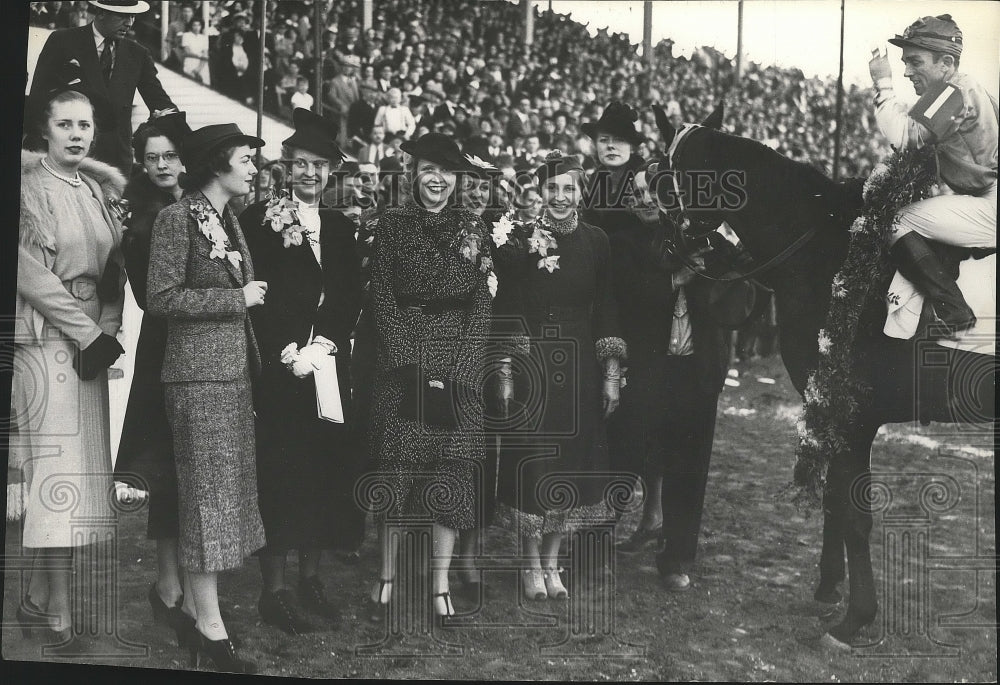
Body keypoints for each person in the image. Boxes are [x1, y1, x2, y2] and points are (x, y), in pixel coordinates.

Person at [239, 109, 365, 635]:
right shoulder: (259, 221)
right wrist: (284, 349)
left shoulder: (340, 226)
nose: (310, 174)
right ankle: (275, 589)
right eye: (301, 165)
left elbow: (349, 292)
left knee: (325, 466)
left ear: (332, 172)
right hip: (280, 366)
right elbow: (254, 293)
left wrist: (328, 342)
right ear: (285, 167)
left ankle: (312, 577)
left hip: (329, 364)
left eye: (320, 166)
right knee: (280, 469)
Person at [146, 123, 266, 674]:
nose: (253, 169)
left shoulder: (227, 218)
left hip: (228, 376)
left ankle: (200, 614)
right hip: (197, 379)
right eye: (246, 159)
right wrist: (233, 298)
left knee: (218, 501)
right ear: (219, 163)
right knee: (206, 505)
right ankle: (210, 628)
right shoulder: (178, 218)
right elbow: (161, 298)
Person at [13, 80, 127, 640]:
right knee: (57, 477)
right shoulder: (29, 190)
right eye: (66, 124)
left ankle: (35, 599)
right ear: (45, 130)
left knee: (78, 480)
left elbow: (113, 272)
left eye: (85, 125)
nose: (77, 134)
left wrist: (106, 331)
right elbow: (30, 277)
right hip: (48, 341)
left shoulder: (96, 190)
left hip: (87, 349)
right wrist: (88, 334)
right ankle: (57, 608)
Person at [366, 133, 492, 623]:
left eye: (446, 171)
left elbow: (482, 303)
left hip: (459, 360)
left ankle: (440, 584)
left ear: (458, 178)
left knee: (452, 477)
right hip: (406, 365)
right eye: (427, 170)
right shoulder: (393, 225)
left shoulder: (472, 228)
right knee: (396, 473)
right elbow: (380, 297)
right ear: (413, 173)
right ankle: (387, 578)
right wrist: (412, 365)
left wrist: (461, 371)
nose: (437, 180)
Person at [491, 151, 625, 600]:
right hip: (536, 358)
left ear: (581, 192)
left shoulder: (597, 241)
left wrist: (609, 371)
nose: (561, 197)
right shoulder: (522, 240)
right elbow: (507, 305)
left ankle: (553, 563)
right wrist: (508, 368)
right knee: (536, 459)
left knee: (569, 459)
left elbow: (607, 306)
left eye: (569, 188)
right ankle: (529, 566)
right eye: (552, 189)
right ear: (540, 193)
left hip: (581, 360)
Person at [606, 163, 732, 591]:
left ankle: (677, 558)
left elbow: (739, 298)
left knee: (689, 468)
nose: (644, 199)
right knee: (624, 456)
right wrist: (678, 276)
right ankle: (593, 543)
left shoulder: (709, 240)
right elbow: (632, 295)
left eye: (652, 191)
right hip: (648, 368)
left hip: (697, 371)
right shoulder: (624, 243)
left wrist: (716, 265)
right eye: (636, 193)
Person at [114, 110, 194, 644]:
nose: (161, 165)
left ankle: (178, 586)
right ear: (141, 164)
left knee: (188, 471)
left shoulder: (194, 203)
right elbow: (151, 297)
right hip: (167, 344)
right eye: (151, 158)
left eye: (169, 155)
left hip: (197, 345)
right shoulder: (141, 216)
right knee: (168, 469)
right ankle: (169, 587)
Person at [868, 14, 997, 342]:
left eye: (915, 62)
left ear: (946, 63)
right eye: (904, 63)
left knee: (897, 222)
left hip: (991, 203)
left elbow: (902, 134)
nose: (907, 71)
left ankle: (953, 310)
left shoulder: (952, 90)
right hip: (984, 196)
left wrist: (882, 84)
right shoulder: (970, 87)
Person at [28, 0, 176, 175]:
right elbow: (38, 97)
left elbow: (160, 102)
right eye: (122, 16)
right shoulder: (62, 41)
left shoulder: (138, 54)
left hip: (116, 161)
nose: (129, 23)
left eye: (133, 16)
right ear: (101, 13)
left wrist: (185, 138)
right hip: (68, 154)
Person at [324, 55, 361, 147]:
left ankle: (353, 145)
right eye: (345, 66)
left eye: (350, 67)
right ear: (341, 67)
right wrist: (341, 105)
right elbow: (331, 96)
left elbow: (356, 98)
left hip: (353, 111)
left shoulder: (353, 81)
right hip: (341, 111)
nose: (348, 69)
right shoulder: (335, 81)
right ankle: (343, 145)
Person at [180, 17, 210, 86]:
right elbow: (187, 52)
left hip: (202, 65)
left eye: (199, 25)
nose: (197, 27)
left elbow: (205, 55)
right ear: (191, 26)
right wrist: (199, 55)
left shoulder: (204, 38)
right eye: (194, 25)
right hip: (190, 62)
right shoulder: (186, 35)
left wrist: (198, 69)